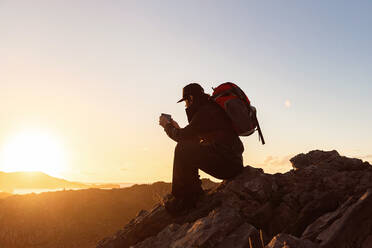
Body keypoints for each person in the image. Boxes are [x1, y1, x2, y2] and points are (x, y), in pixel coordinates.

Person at [159, 83, 244, 214]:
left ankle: (184, 199)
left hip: (227, 165)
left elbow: (183, 138)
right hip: (232, 162)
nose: (186, 106)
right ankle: (192, 193)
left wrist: (167, 126)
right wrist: (177, 128)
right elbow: (192, 138)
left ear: (191, 98)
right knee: (186, 148)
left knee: (182, 148)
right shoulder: (210, 109)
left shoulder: (205, 112)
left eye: (186, 102)